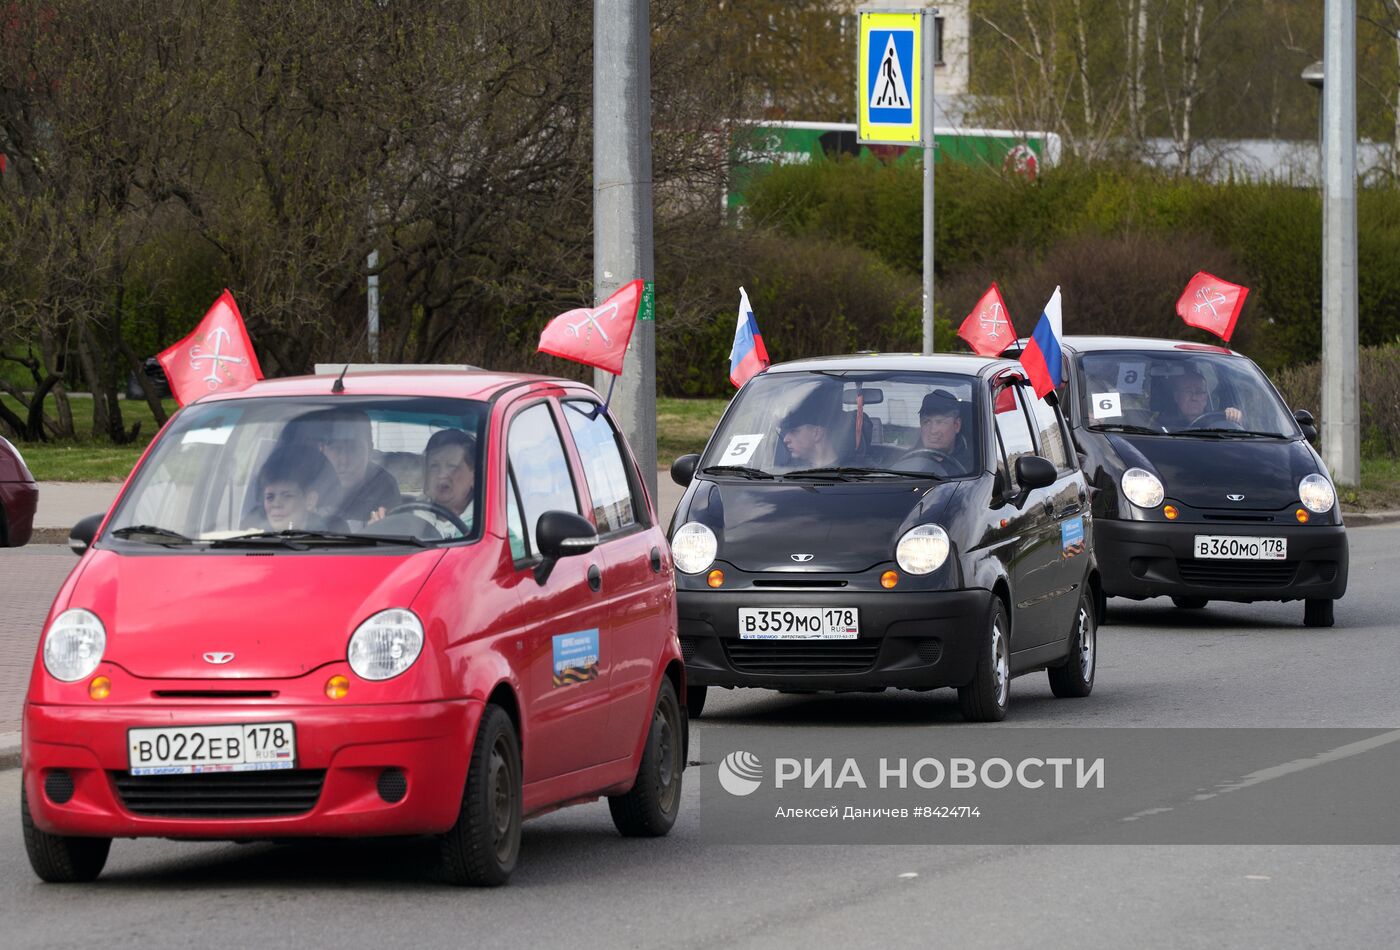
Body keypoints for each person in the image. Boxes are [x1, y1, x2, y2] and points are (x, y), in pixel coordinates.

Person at [298, 408, 401, 524]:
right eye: (336, 449)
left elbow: (394, 533)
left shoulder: (384, 486)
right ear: (321, 449)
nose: (344, 461)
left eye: (354, 448)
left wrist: (378, 527)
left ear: (370, 449)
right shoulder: (306, 484)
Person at [372, 428, 476, 539]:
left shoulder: (487, 524)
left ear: (474, 477)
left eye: (452, 467)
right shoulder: (405, 517)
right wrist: (377, 530)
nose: (441, 474)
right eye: (434, 466)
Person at [253, 444, 340, 533]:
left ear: (310, 501)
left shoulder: (331, 539)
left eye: (287, 496)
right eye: (270, 497)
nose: (276, 504)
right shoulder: (251, 538)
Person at [902, 389, 971, 473]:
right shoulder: (906, 463)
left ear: (956, 425)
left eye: (940, 422)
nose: (933, 430)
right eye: (926, 422)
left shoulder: (973, 468)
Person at [1158, 371, 1243, 429]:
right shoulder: (1160, 425)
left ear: (1206, 397)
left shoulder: (1219, 420)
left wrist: (1234, 416)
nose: (1194, 397)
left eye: (1199, 391)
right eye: (1188, 391)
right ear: (1176, 396)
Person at [779, 391, 841, 468]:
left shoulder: (853, 472)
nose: (785, 439)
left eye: (793, 431)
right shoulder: (786, 473)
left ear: (817, 433)